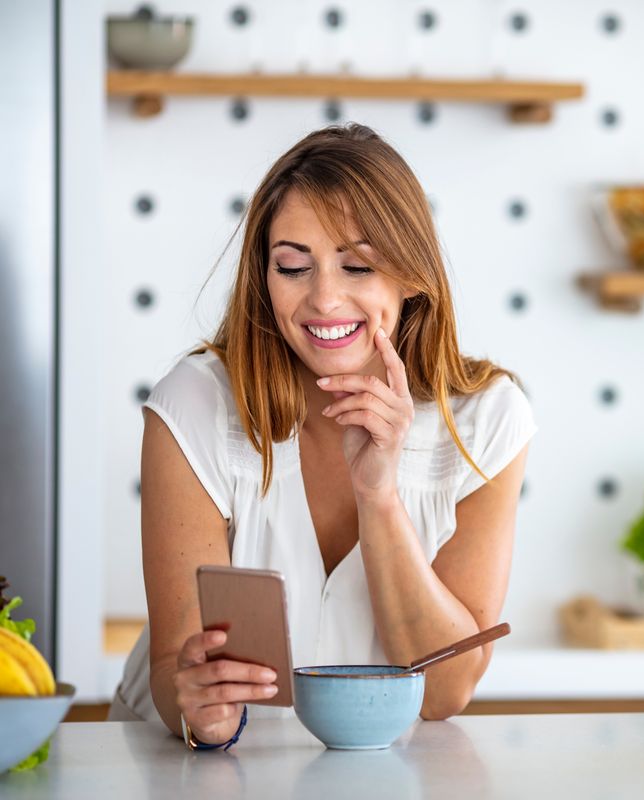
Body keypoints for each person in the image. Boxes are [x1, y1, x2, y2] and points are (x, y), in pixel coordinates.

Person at [109, 124, 535, 748]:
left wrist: (379, 496)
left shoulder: (485, 421)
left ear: (412, 275)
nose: (324, 299)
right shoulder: (195, 404)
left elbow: (444, 692)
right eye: (293, 266)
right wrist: (200, 709)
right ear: (264, 276)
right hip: (186, 770)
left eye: (357, 265)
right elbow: (176, 664)